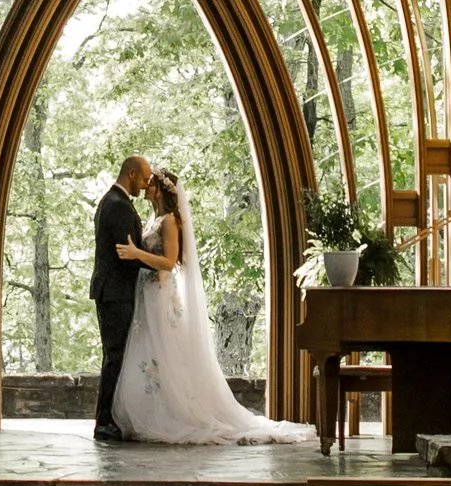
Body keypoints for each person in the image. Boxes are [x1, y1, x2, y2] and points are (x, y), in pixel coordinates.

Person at [111, 167, 309, 446]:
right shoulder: (155, 218)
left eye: (151, 184)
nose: (146, 187)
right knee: (151, 354)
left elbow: (168, 262)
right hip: (147, 294)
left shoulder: (169, 221)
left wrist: (135, 254)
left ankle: (179, 412)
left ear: (162, 191)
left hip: (161, 294)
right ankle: (155, 408)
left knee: (167, 352)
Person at [90, 155, 152, 440]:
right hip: (115, 293)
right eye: (144, 178)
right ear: (131, 173)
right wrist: (161, 262)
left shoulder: (111, 201)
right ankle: (104, 421)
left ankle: (110, 417)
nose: (146, 183)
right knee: (114, 356)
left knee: (114, 355)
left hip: (112, 291)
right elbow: (127, 255)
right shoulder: (118, 206)